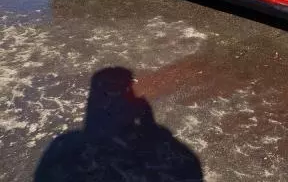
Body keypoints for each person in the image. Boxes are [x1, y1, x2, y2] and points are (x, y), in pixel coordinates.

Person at [34, 67, 203, 181]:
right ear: (135, 105)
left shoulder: (63, 149)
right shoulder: (168, 153)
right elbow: (191, 171)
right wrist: (151, 131)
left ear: (92, 102)